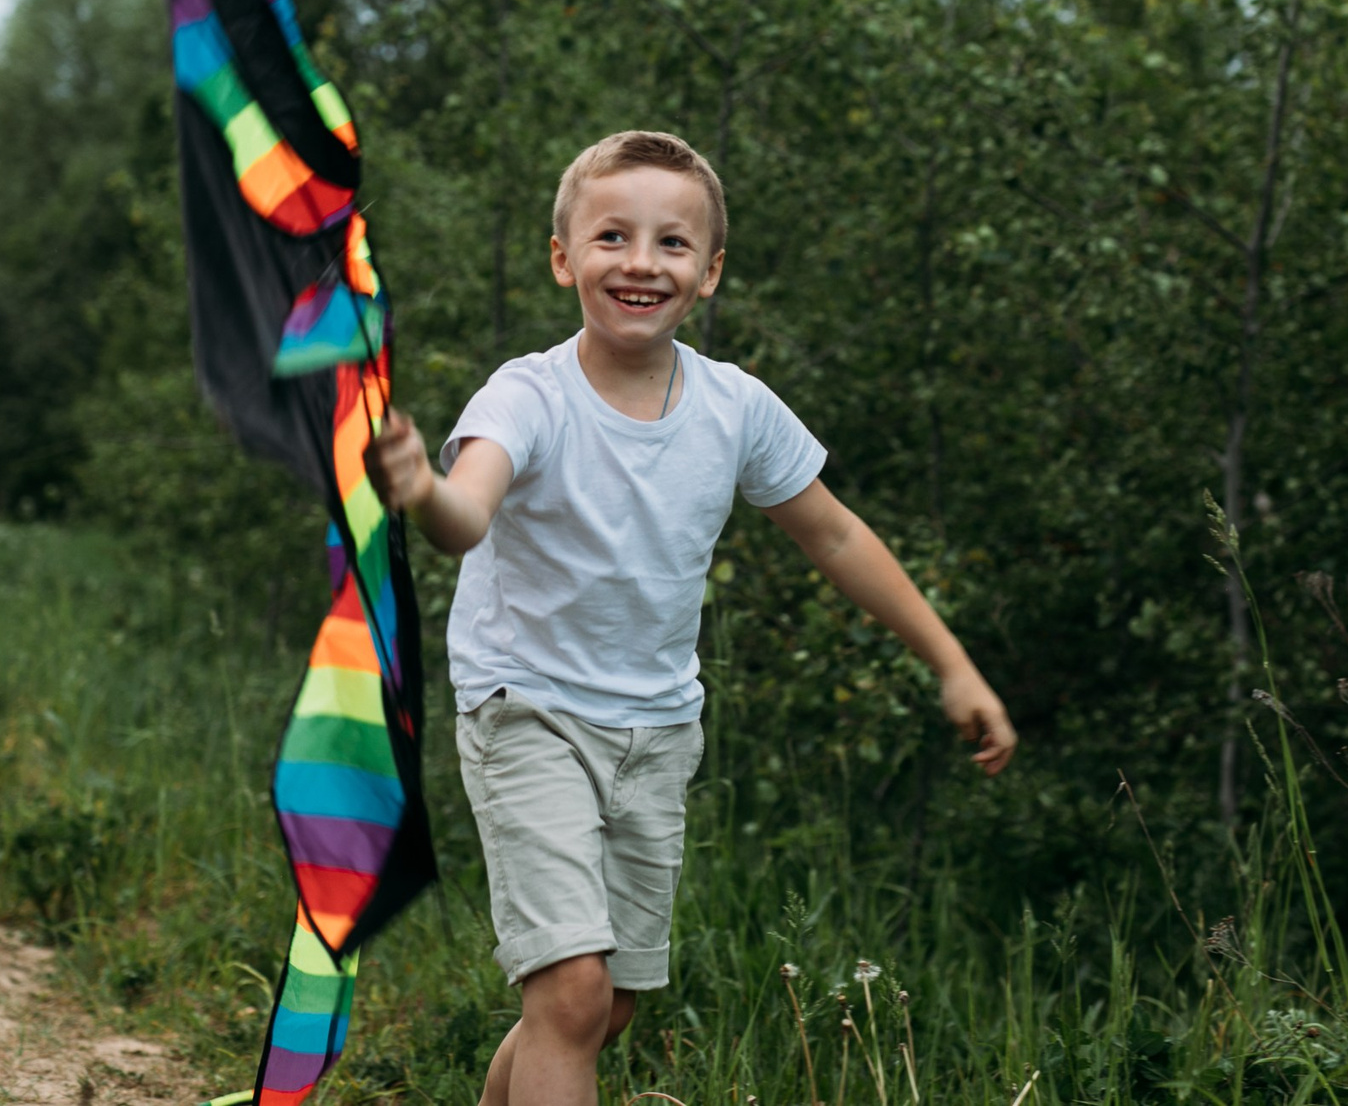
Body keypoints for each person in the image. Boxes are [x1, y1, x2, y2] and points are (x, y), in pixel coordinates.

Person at [364, 128, 1017, 1106]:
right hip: (528, 708)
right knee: (573, 996)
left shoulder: (734, 409)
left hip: (659, 727)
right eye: (611, 236)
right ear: (562, 258)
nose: (639, 261)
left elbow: (834, 536)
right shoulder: (527, 394)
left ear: (708, 273)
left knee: (606, 1004)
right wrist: (421, 486)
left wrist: (950, 663)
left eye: (671, 243)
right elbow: (465, 517)